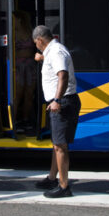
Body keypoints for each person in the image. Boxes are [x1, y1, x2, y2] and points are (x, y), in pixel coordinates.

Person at [32, 25, 81, 198]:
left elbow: (63, 75)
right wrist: (42, 58)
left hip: (63, 102)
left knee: (60, 146)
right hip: (59, 102)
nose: (36, 47)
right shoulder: (52, 52)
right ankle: (53, 178)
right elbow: (53, 63)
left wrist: (57, 100)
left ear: (39, 40)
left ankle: (64, 187)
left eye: (35, 43)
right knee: (57, 143)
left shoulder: (57, 51)